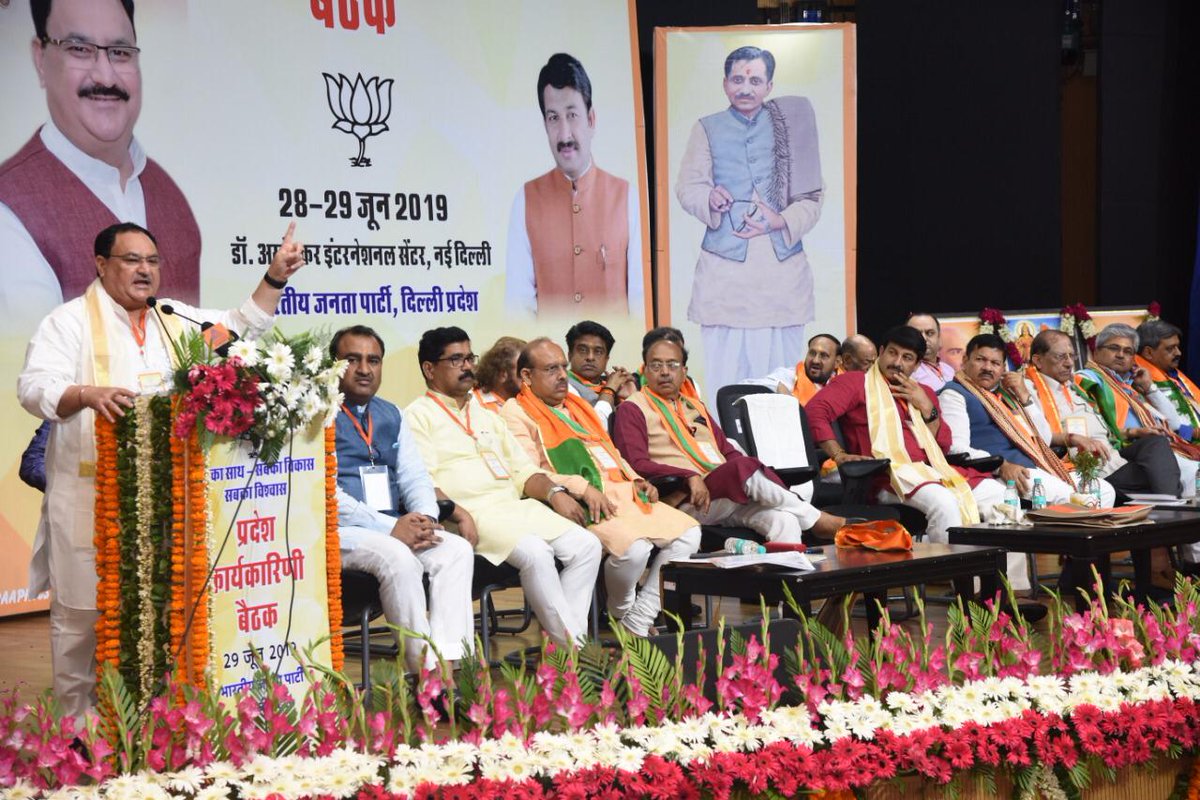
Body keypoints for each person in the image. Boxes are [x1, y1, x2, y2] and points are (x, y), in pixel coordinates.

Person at [17, 220, 305, 717]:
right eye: (131, 260)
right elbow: (33, 387)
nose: (145, 271)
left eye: (152, 261)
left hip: (167, 497)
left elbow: (238, 328)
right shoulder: (68, 323)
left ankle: (153, 720)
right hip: (91, 496)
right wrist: (88, 394)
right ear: (101, 265)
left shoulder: (175, 319)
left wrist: (275, 277)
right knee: (84, 613)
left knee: (160, 610)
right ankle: (76, 728)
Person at [0, 0, 201, 331]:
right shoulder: (11, 210)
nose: (106, 75)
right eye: (80, 49)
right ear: (40, 58)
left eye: (120, 52)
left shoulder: (169, 195)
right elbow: (33, 373)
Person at [404, 327, 602, 645]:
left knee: (587, 546)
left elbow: (525, 471)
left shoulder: (485, 415)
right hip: (472, 515)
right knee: (537, 553)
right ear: (430, 369)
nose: (468, 366)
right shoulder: (417, 416)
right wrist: (458, 513)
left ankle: (563, 650)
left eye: (469, 357)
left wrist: (555, 493)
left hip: (515, 507)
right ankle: (576, 653)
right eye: (456, 359)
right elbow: (423, 483)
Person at [804, 326, 1030, 592]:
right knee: (944, 503)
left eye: (907, 358)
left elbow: (943, 444)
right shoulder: (856, 383)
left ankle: (1012, 592)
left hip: (934, 471)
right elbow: (814, 412)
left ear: (917, 364)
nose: (897, 363)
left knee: (1003, 498)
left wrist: (926, 407)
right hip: (886, 476)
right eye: (892, 353)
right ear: (880, 352)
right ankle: (958, 583)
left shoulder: (923, 391)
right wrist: (839, 455)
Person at [501, 338, 700, 636]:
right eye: (551, 369)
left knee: (690, 533)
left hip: (621, 489)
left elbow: (610, 451)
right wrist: (581, 487)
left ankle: (639, 617)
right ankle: (622, 611)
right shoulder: (515, 413)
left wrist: (635, 478)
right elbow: (530, 473)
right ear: (527, 376)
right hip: (582, 498)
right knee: (635, 550)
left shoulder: (577, 406)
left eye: (563, 368)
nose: (561, 376)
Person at [675, 45, 824, 403]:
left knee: (783, 375)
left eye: (755, 80)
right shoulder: (706, 128)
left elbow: (812, 198)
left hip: (781, 275)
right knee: (725, 373)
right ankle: (730, 448)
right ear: (725, 83)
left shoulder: (791, 125)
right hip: (725, 276)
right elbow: (688, 187)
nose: (746, 88)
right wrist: (709, 198)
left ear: (769, 85)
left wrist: (779, 220)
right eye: (738, 79)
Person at [331, 325, 475, 671]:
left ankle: (452, 663)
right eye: (352, 359)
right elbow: (327, 495)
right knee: (397, 554)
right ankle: (424, 673)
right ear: (332, 366)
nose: (365, 369)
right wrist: (391, 525)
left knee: (455, 549)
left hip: (393, 526)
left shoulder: (391, 413)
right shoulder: (315, 414)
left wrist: (424, 520)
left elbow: (415, 476)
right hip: (340, 530)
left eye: (374, 360)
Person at [612, 335, 844, 543]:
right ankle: (817, 520)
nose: (665, 372)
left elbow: (727, 450)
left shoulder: (694, 406)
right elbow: (635, 464)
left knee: (785, 521)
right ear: (644, 370)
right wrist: (689, 476)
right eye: (656, 365)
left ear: (684, 371)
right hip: (684, 498)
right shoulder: (633, 408)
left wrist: (738, 473)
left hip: (724, 493)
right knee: (743, 466)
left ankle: (778, 590)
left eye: (672, 365)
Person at [505, 53, 643, 316]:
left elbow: (639, 302)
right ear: (545, 124)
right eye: (554, 118)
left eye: (572, 115)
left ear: (591, 120)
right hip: (549, 356)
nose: (565, 134)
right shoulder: (525, 199)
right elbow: (518, 307)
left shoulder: (626, 197)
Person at [939, 333, 1115, 507]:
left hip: (1036, 467)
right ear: (965, 360)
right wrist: (1000, 465)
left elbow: (1043, 440)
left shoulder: (1005, 395)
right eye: (980, 359)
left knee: (1104, 490)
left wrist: (1024, 396)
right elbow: (956, 448)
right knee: (1076, 499)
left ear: (1003, 369)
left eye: (995, 363)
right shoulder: (955, 394)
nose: (988, 368)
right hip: (999, 474)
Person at [1024, 329, 1180, 497]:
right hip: (1088, 466)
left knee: (1156, 443)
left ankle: (1169, 502)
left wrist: (1133, 432)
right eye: (1061, 357)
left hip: (1112, 456)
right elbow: (1035, 435)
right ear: (1038, 361)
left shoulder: (1074, 386)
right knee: (1165, 476)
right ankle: (1171, 504)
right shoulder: (1028, 389)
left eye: (1071, 356)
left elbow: (1099, 429)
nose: (1069, 363)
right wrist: (1072, 438)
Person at [1077, 323, 1200, 496]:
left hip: (1158, 448)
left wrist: (1150, 388)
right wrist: (1134, 432)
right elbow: (1092, 431)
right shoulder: (1087, 381)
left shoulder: (1131, 385)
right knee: (1186, 467)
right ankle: (1175, 511)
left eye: (1128, 352)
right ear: (1096, 352)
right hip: (1122, 449)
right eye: (1114, 348)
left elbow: (1173, 424)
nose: (1121, 355)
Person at [1136, 319, 1200, 440]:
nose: (1179, 353)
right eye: (1170, 348)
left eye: (1178, 347)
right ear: (1148, 353)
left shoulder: (1172, 373)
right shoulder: (1138, 380)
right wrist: (1194, 433)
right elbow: (1169, 426)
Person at [565, 320, 637, 425]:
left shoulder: (611, 386)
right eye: (583, 350)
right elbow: (596, 427)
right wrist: (609, 390)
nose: (590, 357)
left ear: (606, 359)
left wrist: (630, 398)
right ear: (570, 355)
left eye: (598, 352)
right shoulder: (562, 386)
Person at [473, 336, 526, 414]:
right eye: (521, 368)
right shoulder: (472, 403)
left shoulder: (527, 403)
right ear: (502, 374)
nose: (528, 375)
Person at [906, 313, 956, 391]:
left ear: (939, 339)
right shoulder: (905, 370)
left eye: (930, 333)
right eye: (917, 334)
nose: (923, 338)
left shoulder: (949, 370)